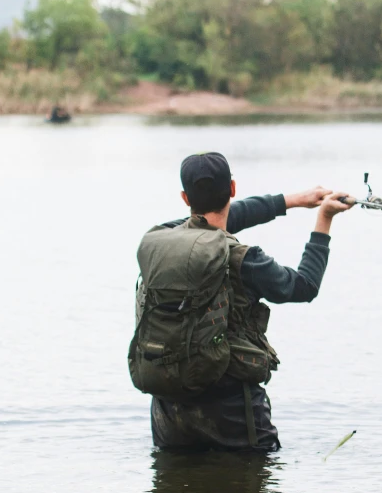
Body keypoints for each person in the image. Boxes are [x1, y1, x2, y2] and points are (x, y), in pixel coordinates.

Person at [131, 151, 353, 452]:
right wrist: (323, 218)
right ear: (233, 189)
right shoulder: (244, 259)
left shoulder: (160, 240)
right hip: (234, 410)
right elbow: (305, 286)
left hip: (169, 410)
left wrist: (292, 200)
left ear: (185, 198)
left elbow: (213, 224)